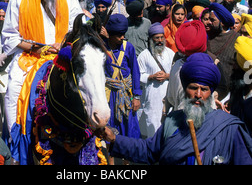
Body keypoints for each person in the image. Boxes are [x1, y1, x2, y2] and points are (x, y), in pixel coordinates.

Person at [102, 52, 252, 165]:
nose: (198, 94)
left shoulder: (229, 128)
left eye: (204, 90)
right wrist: (115, 139)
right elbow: (149, 151)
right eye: (193, 88)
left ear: (211, 92)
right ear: (185, 89)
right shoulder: (173, 121)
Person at [1, 0, 83, 135]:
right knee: (13, 92)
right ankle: (17, 136)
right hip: (28, 57)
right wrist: (38, 49)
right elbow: (10, 36)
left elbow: (77, 26)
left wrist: (62, 43)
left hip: (62, 55)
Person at [104, 14, 141, 165]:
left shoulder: (128, 47)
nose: (122, 37)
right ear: (110, 34)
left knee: (128, 130)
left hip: (125, 96)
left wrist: (137, 96)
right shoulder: (102, 48)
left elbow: (135, 72)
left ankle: (127, 164)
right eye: (118, 35)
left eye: (123, 34)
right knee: (108, 129)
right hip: (107, 95)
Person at [137, 22, 175, 137]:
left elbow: (176, 72)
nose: (159, 40)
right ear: (151, 39)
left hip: (168, 95)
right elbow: (139, 75)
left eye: (161, 37)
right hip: (151, 96)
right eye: (156, 38)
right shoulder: (144, 55)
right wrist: (151, 76)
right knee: (152, 122)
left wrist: (167, 76)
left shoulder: (171, 53)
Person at [207, 2, 239, 93]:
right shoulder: (205, 37)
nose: (209, 22)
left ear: (223, 22)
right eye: (208, 19)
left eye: (212, 20)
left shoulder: (236, 39)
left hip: (226, 93)